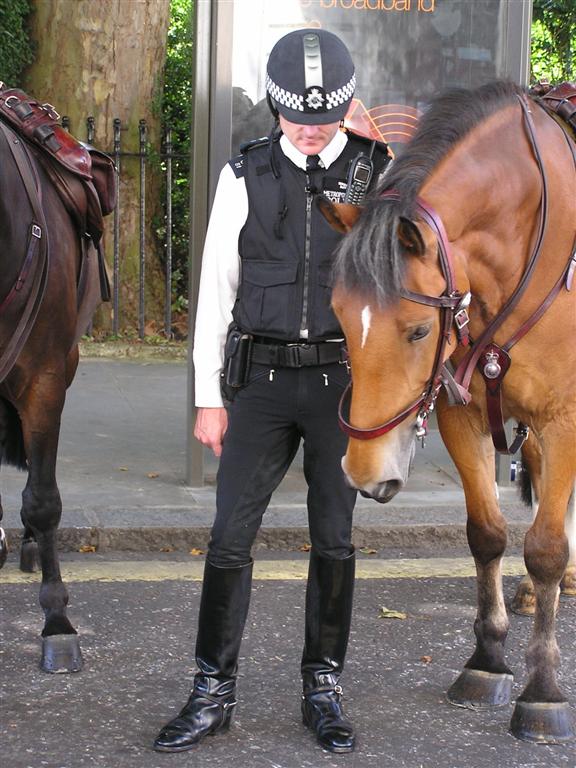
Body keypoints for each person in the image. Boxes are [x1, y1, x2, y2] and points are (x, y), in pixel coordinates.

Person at [153, 28, 391, 756]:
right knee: (229, 539)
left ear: (345, 108)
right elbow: (215, 291)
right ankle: (211, 691)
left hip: (338, 388)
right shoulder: (243, 174)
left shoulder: (376, 172)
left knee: (336, 540)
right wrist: (207, 396)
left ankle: (323, 687)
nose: (312, 132)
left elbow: (400, 282)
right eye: (298, 120)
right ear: (276, 110)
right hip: (256, 383)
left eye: (325, 119)